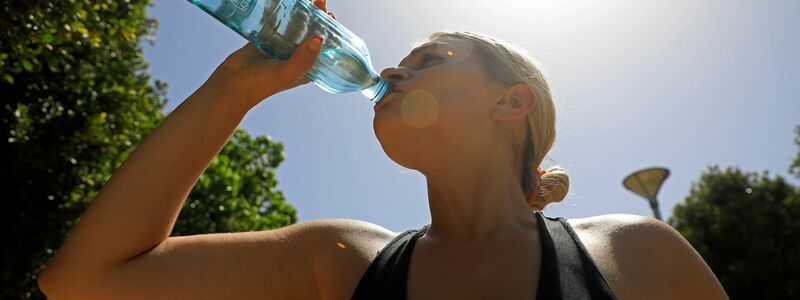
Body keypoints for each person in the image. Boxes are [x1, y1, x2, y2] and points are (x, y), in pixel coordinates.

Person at [38, 0, 728, 299]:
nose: (395, 71)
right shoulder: (338, 262)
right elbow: (82, 282)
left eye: (430, 58)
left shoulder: (636, 256)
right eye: (399, 59)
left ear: (510, 102)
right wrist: (235, 87)